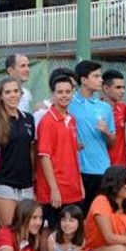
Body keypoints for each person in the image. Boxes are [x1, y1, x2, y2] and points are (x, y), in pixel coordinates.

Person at [0, 76, 36, 230]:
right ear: (0, 97)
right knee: (10, 232)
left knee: (27, 232)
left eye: (16, 91)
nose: (13, 95)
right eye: (8, 92)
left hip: (26, 186)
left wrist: (34, 179)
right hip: (4, 184)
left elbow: (32, 151)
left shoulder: (29, 119)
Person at [35, 74, 83, 229]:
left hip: (72, 188)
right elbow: (44, 157)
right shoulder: (47, 121)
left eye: (68, 92)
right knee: (52, 231)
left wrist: (79, 183)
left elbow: (73, 155)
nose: (64, 95)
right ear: (52, 94)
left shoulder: (72, 119)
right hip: (55, 191)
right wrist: (54, 189)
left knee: (69, 233)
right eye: (60, 92)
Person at [69, 61, 115, 211]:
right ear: (83, 80)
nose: (101, 80)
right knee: (78, 216)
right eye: (96, 76)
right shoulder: (69, 102)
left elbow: (112, 141)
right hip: (78, 171)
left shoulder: (105, 107)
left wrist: (106, 132)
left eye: (100, 76)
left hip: (102, 170)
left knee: (99, 214)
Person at [102, 69, 126, 167]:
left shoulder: (123, 108)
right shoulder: (95, 110)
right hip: (102, 166)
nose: (123, 91)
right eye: (118, 87)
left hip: (121, 165)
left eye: (124, 87)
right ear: (106, 88)